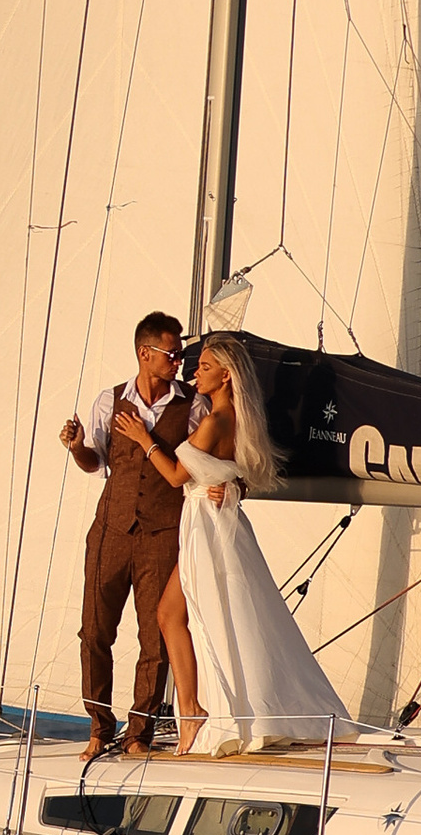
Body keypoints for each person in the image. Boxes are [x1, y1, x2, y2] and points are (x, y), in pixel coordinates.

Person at [161, 335, 346, 754]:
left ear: (226, 375)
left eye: (204, 367)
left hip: (206, 526)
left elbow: (175, 475)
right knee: (219, 614)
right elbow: (233, 472)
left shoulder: (214, 421)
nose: (195, 373)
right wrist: (233, 484)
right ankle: (205, 710)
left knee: (190, 615)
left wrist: (142, 438)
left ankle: (197, 714)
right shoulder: (242, 419)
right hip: (218, 520)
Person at [59, 312, 191, 758]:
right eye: (171, 354)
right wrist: (77, 447)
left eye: (179, 354)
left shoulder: (191, 406)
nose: (178, 362)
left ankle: (140, 733)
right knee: (94, 631)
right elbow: (95, 461)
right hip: (111, 531)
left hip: (162, 534)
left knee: (154, 639)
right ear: (144, 353)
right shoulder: (109, 400)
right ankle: (99, 726)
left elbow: (201, 462)